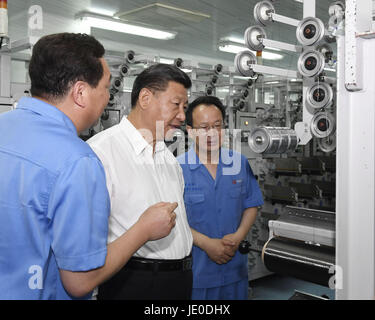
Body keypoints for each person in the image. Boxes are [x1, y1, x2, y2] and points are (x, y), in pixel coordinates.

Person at [0, 33, 177, 300]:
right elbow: (80, 282)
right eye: (105, 88)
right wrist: (144, 229)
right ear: (81, 92)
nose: (107, 98)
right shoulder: (77, 161)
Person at [87, 63, 194, 300]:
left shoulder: (168, 157)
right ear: (145, 98)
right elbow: (85, 244)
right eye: (175, 105)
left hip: (179, 281)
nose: (182, 116)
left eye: (185, 107)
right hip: (134, 283)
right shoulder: (100, 153)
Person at [177, 96, 264, 300]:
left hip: (236, 272)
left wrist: (239, 235)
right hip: (196, 276)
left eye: (217, 126)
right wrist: (207, 244)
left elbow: (252, 204)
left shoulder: (239, 163)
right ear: (190, 130)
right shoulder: (177, 168)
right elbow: (173, 219)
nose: (211, 133)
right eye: (204, 127)